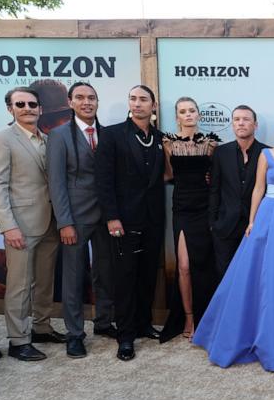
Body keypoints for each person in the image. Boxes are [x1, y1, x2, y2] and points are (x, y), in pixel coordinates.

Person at [193, 112, 274, 371]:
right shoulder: (266, 156)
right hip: (268, 219)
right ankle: (250, 333)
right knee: (261, 278)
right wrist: (252, 221)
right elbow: (258, 189)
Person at [0, 87, 61, 362]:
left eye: (32, 104)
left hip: (51, 222)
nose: (27, 108)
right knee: (19, 284)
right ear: (10, 109)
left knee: (45, 279)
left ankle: (41, 327)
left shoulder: (49, 139)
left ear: (40, 108)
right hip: (22, 225)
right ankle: (18, 339)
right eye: (21, 104)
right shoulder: (0, 140)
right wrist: (8, 226)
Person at [46, 81, 116, 358]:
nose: (87, 102)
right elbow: (56, 182)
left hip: (107, 215)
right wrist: (64, 222)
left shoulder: (108, 135)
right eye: (80, 97)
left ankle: (104, 321)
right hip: (75, 215)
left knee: (106, 270)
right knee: (74, 276)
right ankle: (75, 333)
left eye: (92, 98)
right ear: (71, 102)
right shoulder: (59, 135)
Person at [95, 85, 165, 361]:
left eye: (143, 100)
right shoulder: (112, 135)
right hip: (123, 220)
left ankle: (143, 324)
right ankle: (125, 336)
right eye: (133, 99)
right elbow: (104, 180)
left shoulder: (160, 138)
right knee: (124, 278)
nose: (138, 104)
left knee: (148, 274)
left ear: (153, 106)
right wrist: (112, 217)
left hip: (153, 219)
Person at [162, 97, 220, 340]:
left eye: (191, 111)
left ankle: (206, 317)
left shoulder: (211, 143)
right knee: (184, 266)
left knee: (204, 265)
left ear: (198, 115)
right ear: (177, 117)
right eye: (182, 111)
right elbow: (168, 175)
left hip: (205, 207)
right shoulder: (168, 143)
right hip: (183, 208)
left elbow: (217, 175)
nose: (187, 115)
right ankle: (188, 317)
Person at [209, 105, 266, 280]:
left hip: (255, 227)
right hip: (225, 227)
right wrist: (213, 223)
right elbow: (214, 189)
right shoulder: (220, 152)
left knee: (252, 276)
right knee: (225, 277)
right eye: (237, 119)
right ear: (232, 124)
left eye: (246, 119)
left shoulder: (267, 153)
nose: (241, 123)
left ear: (255, 125)